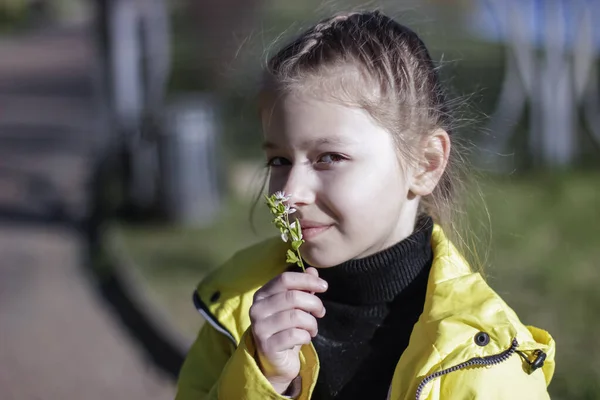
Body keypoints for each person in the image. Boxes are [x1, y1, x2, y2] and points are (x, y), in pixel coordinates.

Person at [175, 11, 555, 400]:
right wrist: (263, 381)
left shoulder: (489, 358)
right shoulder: (240, 305)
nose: (290, 192)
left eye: (329, 157)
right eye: (279, 160)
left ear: (425, 164)